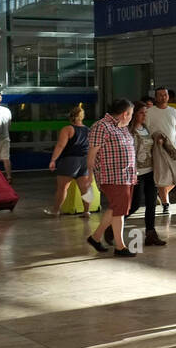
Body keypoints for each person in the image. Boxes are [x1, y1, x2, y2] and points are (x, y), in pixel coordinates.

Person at [85, 99, 137, 258]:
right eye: (131, 114)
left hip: (126, 176)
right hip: (111, 176)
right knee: (119, 211)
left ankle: (95, 238)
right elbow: (92, 154)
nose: (131, 118)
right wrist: (89, 175)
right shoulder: (101, 126)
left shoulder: (123, 128)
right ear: (125, 114)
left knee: (116, 208)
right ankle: (120, 246)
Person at [125, 102, 167, 247]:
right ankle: (113, 224)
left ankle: (151, 233)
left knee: (151, 204)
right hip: (136, 173)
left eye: (145, 113)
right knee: (135, 204)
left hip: (150, 171)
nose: (144, 115)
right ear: (134, 114)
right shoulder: (129, 131)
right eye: (142, 113)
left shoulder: (146, 129)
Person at [45, 103, 92, 217]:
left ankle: (55, 211)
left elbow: (60, 145)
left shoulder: (68, 129)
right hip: (85, 161)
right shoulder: (88, 130)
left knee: (62, 188)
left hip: (70, 161)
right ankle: (86, 211)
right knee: (85, 189)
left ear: (70, 116)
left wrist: (53, 160)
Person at [146, 86, 176, 214]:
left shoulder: (173, 111)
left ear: (168, 96)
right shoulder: (150, 112)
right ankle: (165, 203)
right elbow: (146, 130)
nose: (163, 97)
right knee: (162, 177)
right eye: (160, 95)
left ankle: (161, 193)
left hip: (173, 148)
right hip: (157, 149)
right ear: (156, 97)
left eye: (165, 95)